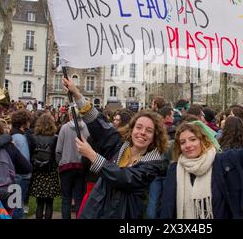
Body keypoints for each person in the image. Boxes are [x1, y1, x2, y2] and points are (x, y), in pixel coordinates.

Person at [63, 78, 169, 219]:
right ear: (131, 130)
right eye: (139, 127)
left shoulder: (153, 163)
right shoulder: (119, 144)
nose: (142, 132)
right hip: (97, 209)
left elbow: (125, 178)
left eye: (149, 130)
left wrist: (92, 155)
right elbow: (99, 125)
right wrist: (77, 94)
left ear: (155, 136)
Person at [56, 114, 90, 219]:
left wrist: (59, 162)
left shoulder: (64, 128)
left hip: (66, 166)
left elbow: (58, 149)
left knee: (66, 198)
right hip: (81, 166)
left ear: (71, 115)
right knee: (79, 198)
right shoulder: (87, 128)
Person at [28, 113, 60, 219]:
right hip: (50, 172)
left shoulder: (33, 137)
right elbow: (57, 155)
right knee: (49, 203)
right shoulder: (55, 138)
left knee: (40, 203)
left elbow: (30, 154)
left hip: (38, 172)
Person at [9, 109, 32, 219]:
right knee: (18, 206)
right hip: (20, 176)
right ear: (24, 122)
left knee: (13, 204)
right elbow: (24, 160)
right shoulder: (20, 138)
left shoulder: (13, 135)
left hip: (14, 174)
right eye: (28, 120)